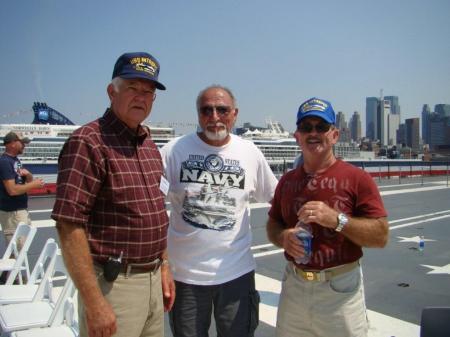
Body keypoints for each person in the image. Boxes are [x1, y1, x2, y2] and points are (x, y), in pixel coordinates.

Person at [51, 52, 175, 337]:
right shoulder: (89, 141)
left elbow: (156, 210)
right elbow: (69, 224)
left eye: (148, 92)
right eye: (132, 88)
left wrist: (165, 266)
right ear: (111, 91)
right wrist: (94, 303)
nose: (141, 97)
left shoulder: (148, 144)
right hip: (115, 286)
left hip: (153, 281)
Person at [160, 85, 278, 337]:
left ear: (234, 113)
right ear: (198, 114)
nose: (214, 117)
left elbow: (277, 199)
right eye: (207, 110)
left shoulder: (250, 152)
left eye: (222, 110)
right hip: (185, 277)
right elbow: (150, 207)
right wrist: (162, 264)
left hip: (236, 274)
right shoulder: (173, 151)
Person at [266, 97, 389, 337]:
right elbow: (273, 223)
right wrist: (284, 237)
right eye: (306, 127)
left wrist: (336, 219)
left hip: (340, 291)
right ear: (297, 136)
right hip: (295, 286)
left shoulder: (358, 179)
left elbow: (381, 236)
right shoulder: (287, 181)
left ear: (334, 135)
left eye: (321, 127)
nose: (313, 133)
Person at [0, 131, 44, 245]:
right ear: (12, 144)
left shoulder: (15, 161)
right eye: (22, 142)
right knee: (18, 249)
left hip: (19, 211)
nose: (25, 145)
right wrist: (34, 184)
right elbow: (12, 190)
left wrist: (29, 176)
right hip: (12, 213)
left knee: (22, 247)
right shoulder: (5, 162)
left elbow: (23, 183)